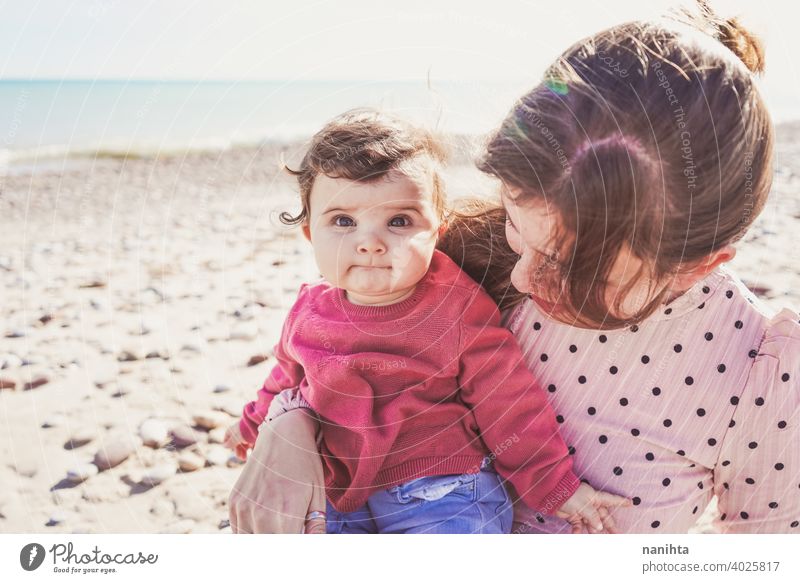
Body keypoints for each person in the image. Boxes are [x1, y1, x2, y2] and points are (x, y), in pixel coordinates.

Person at [229, 3, 800, 534]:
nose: (522, 280)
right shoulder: (446, 256)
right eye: (515, 228)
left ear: (697, 264)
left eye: (563, 265)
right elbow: (334, 355)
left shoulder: (761, 372)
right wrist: (286, 423)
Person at [224, 109, 629, 533]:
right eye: (343, 221)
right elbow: (285, 378)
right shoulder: (309, 309)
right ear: (310, 234)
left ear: (437, 229)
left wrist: (554, 485)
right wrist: (250, 423)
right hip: (338, 491)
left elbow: (507, 400)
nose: (370, 243)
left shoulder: (454, 306)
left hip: (442, 488)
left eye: (399, 221)